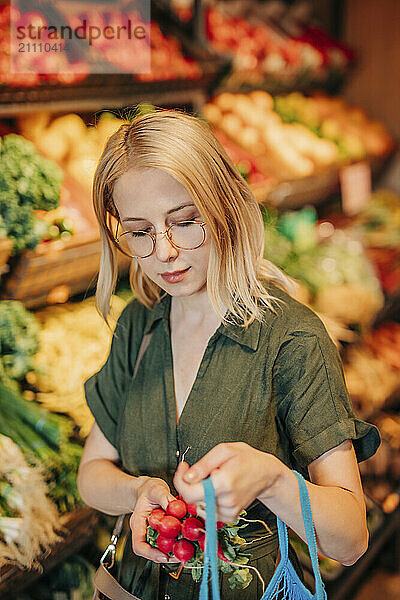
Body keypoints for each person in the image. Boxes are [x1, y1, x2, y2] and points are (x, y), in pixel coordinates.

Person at [77, 108, 380, 600]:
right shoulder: (139, 325)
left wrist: (273, 480)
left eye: (185, 221)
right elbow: (92, 475)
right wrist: (136, 493)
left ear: (224, 206)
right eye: (140, 232)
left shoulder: (291, 339)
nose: (166, 251)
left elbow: (350, 540)